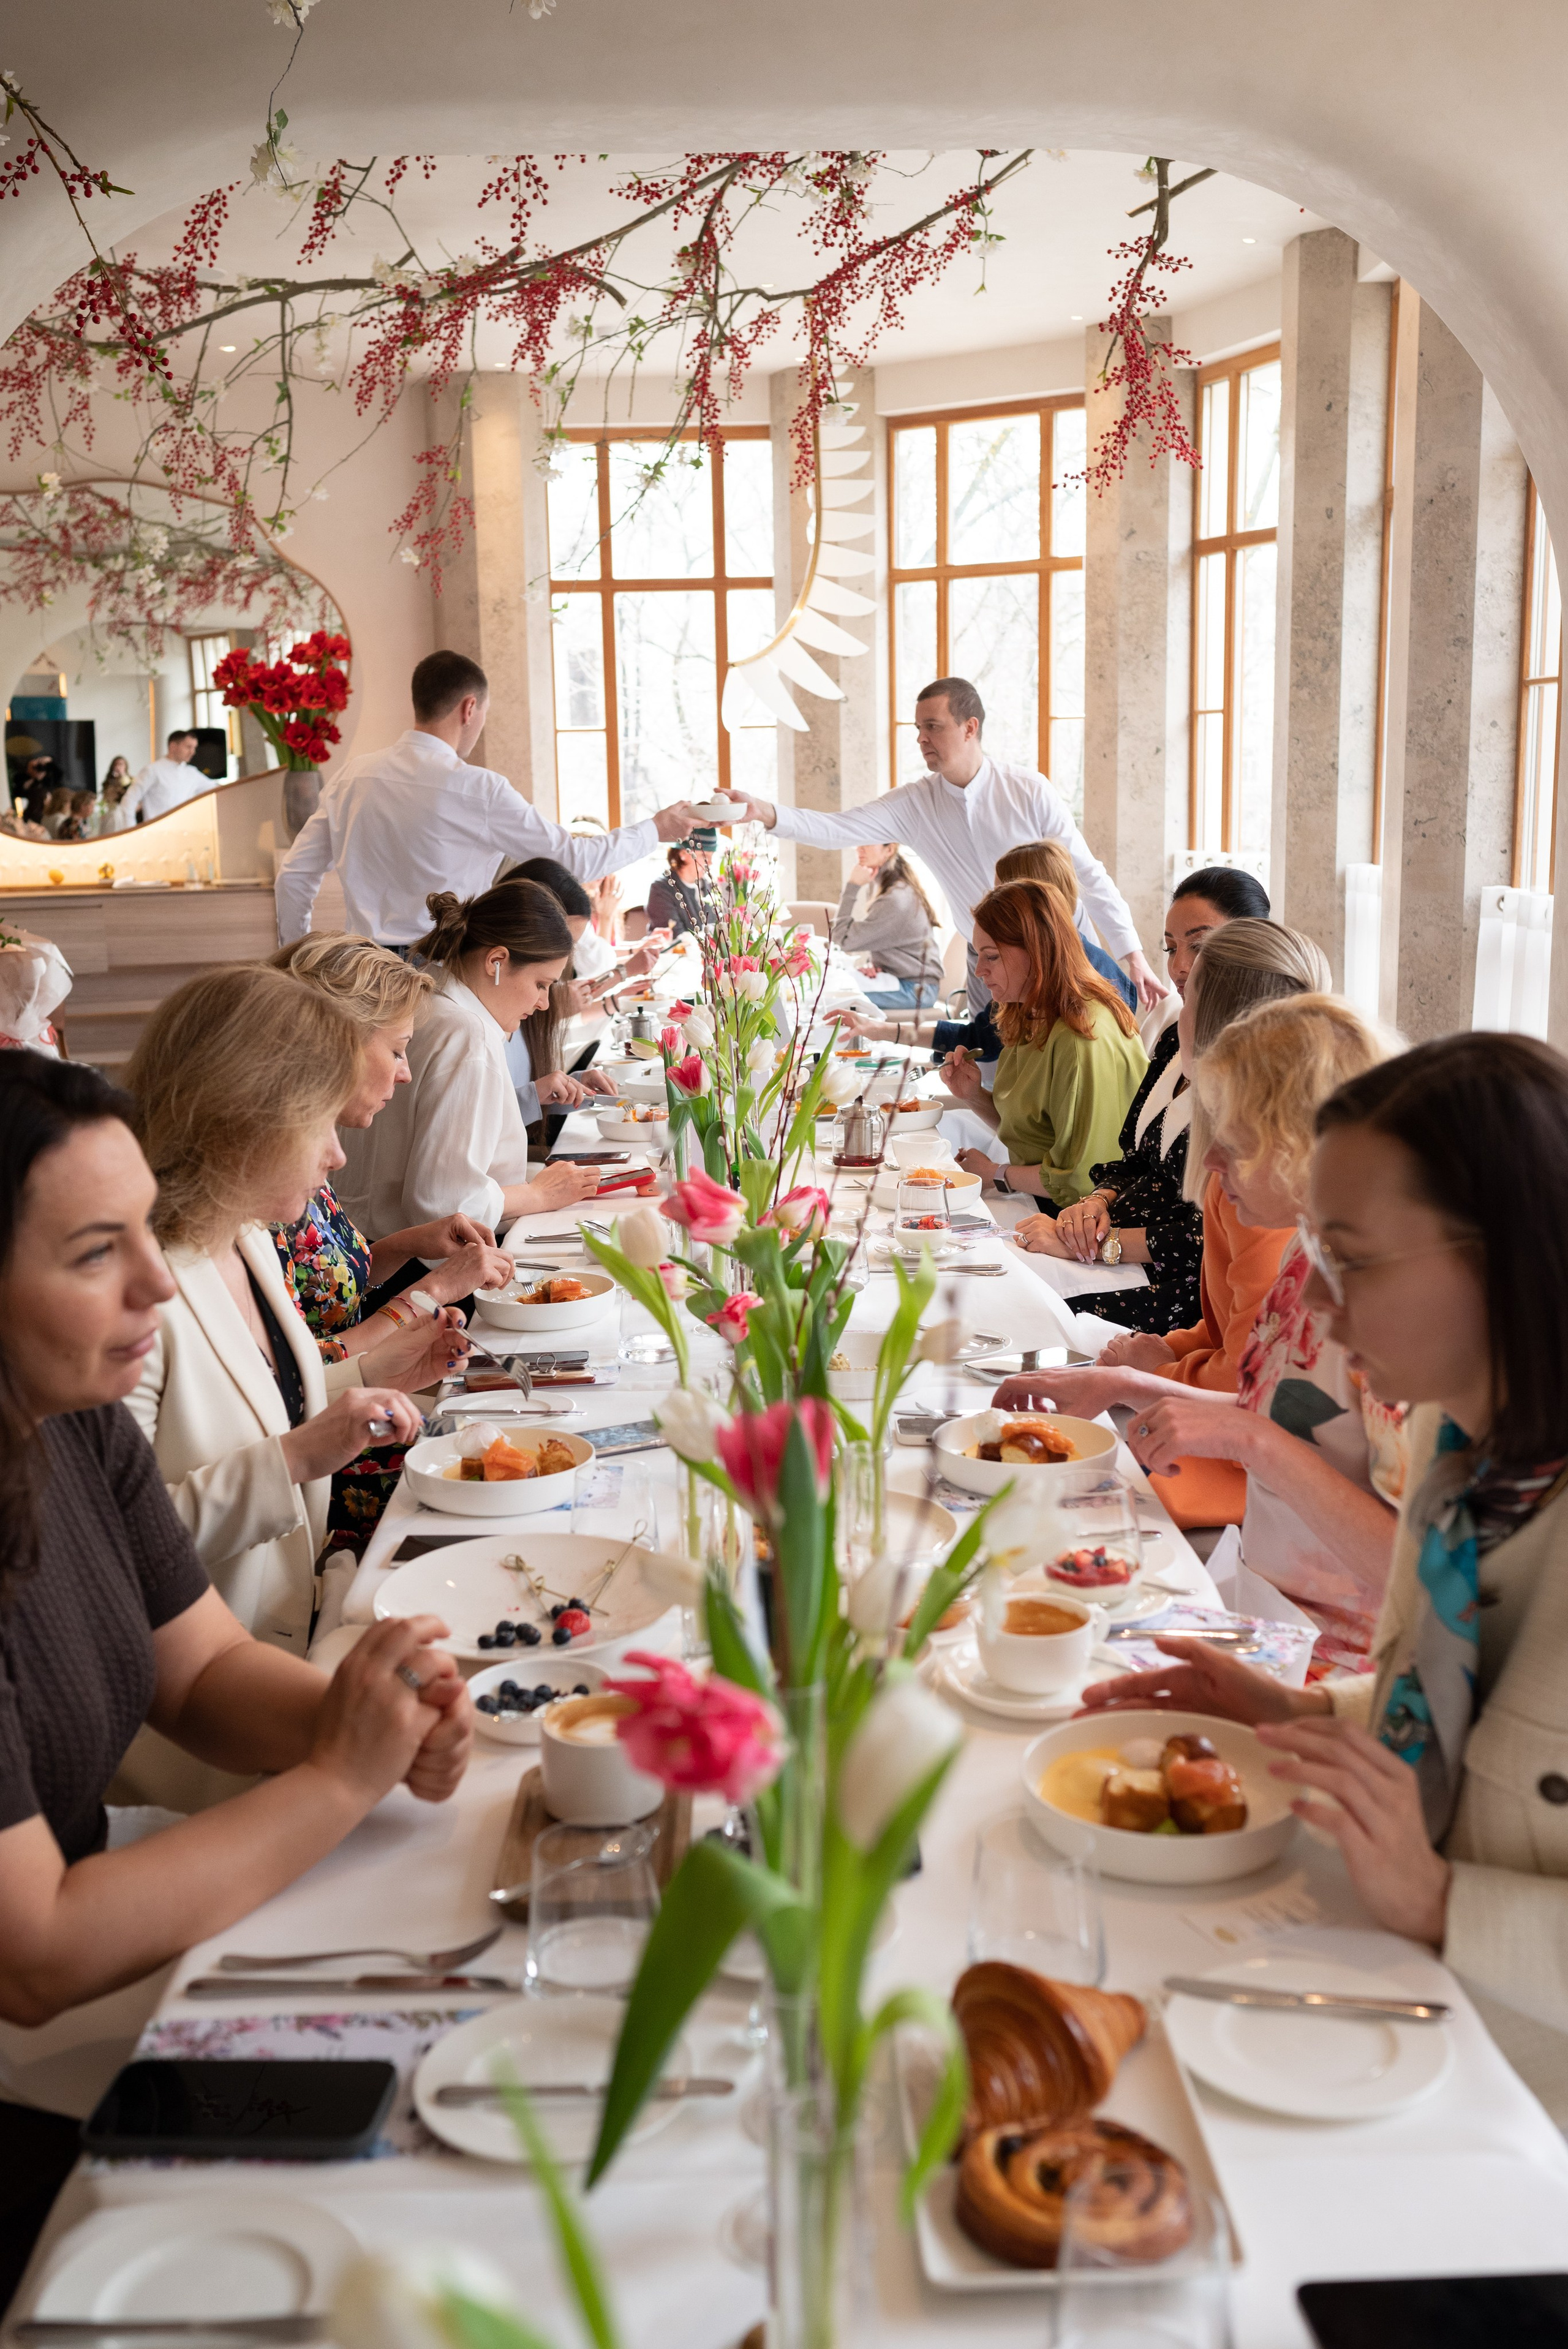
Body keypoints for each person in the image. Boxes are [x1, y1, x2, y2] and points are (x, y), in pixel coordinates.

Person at [0, 1052, 470, 2287]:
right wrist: (333, 1778)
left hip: (99, 1901)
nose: (160, 1281)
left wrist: (370, 1719)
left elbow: (201, 1671)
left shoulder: (74, 1419)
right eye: (96, 1252)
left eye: (147, 1234)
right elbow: (35, 1956)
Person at [1077, 1033, 1568, 2118]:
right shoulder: (1461, 1457)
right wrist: (1293, 1710)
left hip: (1520, 2121)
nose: (1325, 1304)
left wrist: (1446, 1902)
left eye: (1351, 1256)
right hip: (1399, 2020)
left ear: (1507, 1255)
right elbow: (1450, 1720)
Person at [120, 971, 451, 1808]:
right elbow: (117, 1546)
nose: (338, 1154)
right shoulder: (132, 1292)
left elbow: (271, 1401)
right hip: (194, 1747)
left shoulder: (245, 1235)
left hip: (294, 1647)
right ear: (246, 1120)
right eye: (318, 1126)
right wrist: (297, 1458)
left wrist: (377, 1375)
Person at [1003, 993, 1406, 1666]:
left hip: (1345, 1668)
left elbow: (1422, 1570)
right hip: (1267, 1605)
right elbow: (1288, 1421)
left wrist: (1247, 1437)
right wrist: (1121, 1382)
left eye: (1234, 1140)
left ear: (1301, 1145)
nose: (1211, 1161)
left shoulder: (1396, 1306)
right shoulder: (1309, 1252)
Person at [271, 936, 514, 1547]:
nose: (405, 1073)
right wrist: (430, 1291)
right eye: (399, 1051)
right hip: (332, 1453)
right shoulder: (272, 1180)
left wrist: (409, 1242)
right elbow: (298, 1370)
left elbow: (328, 1281)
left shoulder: (311, 1152)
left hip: (372, 1401)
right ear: (339, 1044)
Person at [734, 677, 1163, 1011]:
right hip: (987, 964)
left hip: (1062, 951)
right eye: (918, 728)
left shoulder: (1029, 790)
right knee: (992, 1080)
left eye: (933, 727)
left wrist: (1133, 955)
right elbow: (838, 828)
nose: (921, 738)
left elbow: (1088, 874)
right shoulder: (915, 803)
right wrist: (766, 812)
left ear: (969, 727)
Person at [274, 650, 699, 946]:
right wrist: (656, 829)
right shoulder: (479, 789)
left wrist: (297, 960)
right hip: (444, 976)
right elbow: (574, 860)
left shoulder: (352, 776)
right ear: (469, 708)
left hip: (365, 977)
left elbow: (294, 876)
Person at [1013, 871, 1276, 1339]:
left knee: (1029, 1316)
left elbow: (1203, 1238)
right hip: (1117, 1245)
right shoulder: (1178, 1036)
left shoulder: (1261, 1073)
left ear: (1251, 944)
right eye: (1172, 948)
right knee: (1009, 1273)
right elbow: (1136, 1158)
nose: (1179, 966)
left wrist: (1095, 1247)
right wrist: (1095, 1202)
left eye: (1199, 944)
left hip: (1180, 1285)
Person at [336, 880, 602, 1243]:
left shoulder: (430, 994)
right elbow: (447, 1207)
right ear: (496, 961)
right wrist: (538, 1194)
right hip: (412, 1263)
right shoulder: (467, 1034)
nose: (544, 1004)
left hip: (363, 1237)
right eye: (541, 984)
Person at [941, 878, 1148, 1208]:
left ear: (1037, 952)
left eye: (991, 956)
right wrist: (973, 1096)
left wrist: (996, 1173)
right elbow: (1034, 1134)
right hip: (1047, 1204)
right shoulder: (1031, 1013)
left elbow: (1084, 1180)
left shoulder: (1081, 1038)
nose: (979, 970)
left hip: (1085, 1222)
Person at [830, 843, 944, 1008]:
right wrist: (877, 966)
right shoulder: (895, 888)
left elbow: (841, 940)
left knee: (833, 994)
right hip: (906, 982)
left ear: (890, 850)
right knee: (834, 986)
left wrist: (853, 886)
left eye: (868, 842)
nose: (859, 849)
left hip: (916, 990)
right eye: (858, 843)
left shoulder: (896, 899)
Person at [122, 730, 204, 824]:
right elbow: (130, 800)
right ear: (173, 746)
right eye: (188, 747)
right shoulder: (153, 770)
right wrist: (131, 830)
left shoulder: (192, 773)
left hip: (185, 830)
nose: (193, 752)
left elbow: (216, 788)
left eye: (194, 748)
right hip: (157, 832)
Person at [646, 843, 717, 937]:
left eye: (712, 856)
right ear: (683, 854)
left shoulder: (709, 886)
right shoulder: (661, 889)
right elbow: (675, 937)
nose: (710, 862)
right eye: (705, 856)